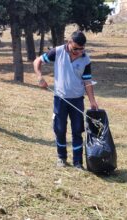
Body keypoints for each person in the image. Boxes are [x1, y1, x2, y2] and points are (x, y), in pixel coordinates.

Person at [33, 31, 98, 170]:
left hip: (77, 100)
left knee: (77, 130)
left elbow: (87, 81)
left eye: (82, 49)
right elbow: (37, 61)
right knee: (60, 129)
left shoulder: (85, 59)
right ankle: (61, 158)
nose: (78, 52)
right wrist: (40, 78)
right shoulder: (57, 52)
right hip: (60, 99)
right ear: (69, 43)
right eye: (75, 49)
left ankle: (78, 162)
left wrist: (92, 101)